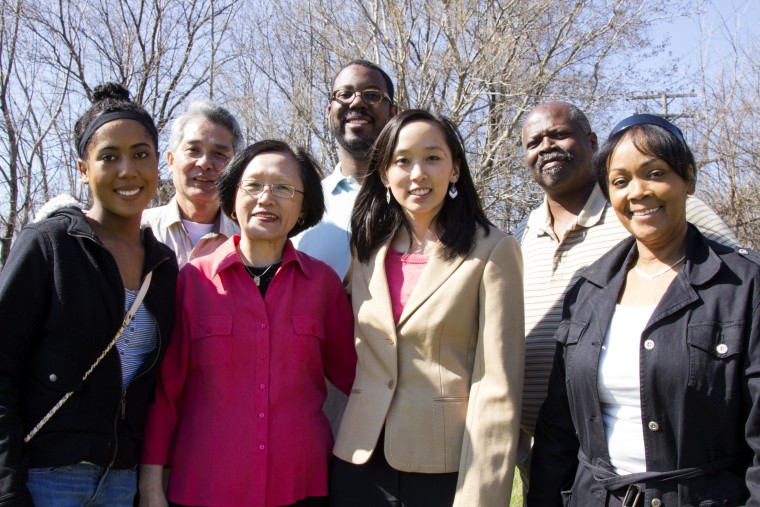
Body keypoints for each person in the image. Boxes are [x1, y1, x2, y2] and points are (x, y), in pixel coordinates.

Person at [529, 114, 760, 506]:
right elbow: (559, 431)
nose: (637, 192)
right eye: (620, 182)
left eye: (655, 173)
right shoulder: (587, 290)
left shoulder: (744, 286)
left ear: (687, 178)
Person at [139, 140, 356, 507]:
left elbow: (357, 378)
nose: (266, 198)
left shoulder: (322, 285)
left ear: (304, 207)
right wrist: (150, 484)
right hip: (205, 487)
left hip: (300, 486)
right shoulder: (194, 280)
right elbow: (166, 392)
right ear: (232, 197)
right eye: (253, 185)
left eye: (283, 188)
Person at [330, 110, 524, 506]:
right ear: (384, 174)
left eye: (433, 158)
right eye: (402, 160)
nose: (417, 173)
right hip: (358, 460)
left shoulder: (492, 250)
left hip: (443, 467)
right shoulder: (365, 249)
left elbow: (497, 387)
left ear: (454, 170)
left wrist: (481, 496)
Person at [0, 83, 177, 506]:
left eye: (140, 154)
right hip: (45, 478)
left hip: (122, 482)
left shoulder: (163, 266)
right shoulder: (51, 244)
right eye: (109, 157)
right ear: (83, 169)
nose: (127, 170)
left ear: (157, 162)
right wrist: (8, 488)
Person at [292, 59, 398, 281]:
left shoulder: (418, 199)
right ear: (330, 111)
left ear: (393, 113)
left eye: (372, 95)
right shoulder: (301, 204)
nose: (357, 103)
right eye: (345, 94)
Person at [142, 100, 243, 267]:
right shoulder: (141, 231)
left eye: (219, 154)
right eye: (193, 150)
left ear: (235, 168)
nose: (204, 163)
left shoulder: (247, 241)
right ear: (171, 160)